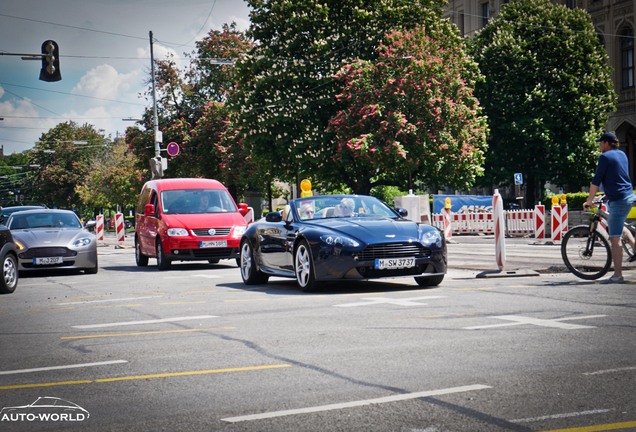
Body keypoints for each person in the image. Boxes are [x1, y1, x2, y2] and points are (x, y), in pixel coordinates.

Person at [584, 132, 636, 284]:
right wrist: (607, 194)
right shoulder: (622, 154)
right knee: (618, 225)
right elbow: (618, 177)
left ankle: (617, 275)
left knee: (615, 238)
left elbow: (596, 181)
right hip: (627, 195)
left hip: (619, 200)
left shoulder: (605, 157)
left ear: (606, 143)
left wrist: (589, 201)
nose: (600, 145)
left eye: (601, 142)